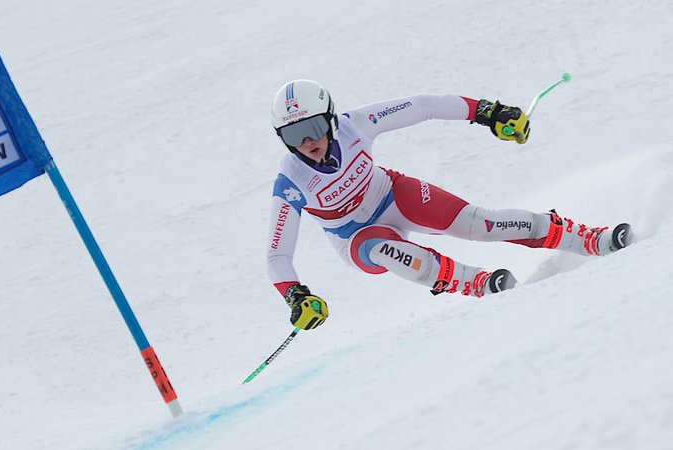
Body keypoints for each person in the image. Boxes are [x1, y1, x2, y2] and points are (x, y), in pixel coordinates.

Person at [267, 79, 632, 331]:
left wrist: (488, 112)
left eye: (314, 126)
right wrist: (295, 296)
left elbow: (423, 106)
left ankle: (586, 238)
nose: (308, 141)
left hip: (392, 194)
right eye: (293, 135)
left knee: (481, 224)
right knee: (387, 251)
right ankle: (475, 283)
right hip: (357, 238)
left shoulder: (355, 125)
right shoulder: (292, 180)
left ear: (330, 117)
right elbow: (277, 256)